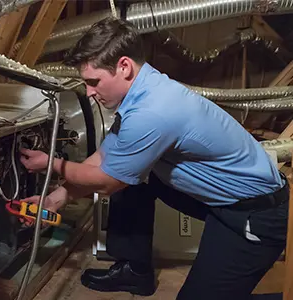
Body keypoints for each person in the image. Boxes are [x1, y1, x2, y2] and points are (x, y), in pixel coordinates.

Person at [19, 17, 289, 300]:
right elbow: (105, 157)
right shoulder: (144, 90)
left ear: (123, 66)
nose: (88, 92)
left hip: (254, 214)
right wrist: (53, 200)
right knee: (135, 177)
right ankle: (135, 271)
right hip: (224, 197)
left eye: (93, 82)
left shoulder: (153, 112)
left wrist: (52, 163)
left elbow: (106, 182)